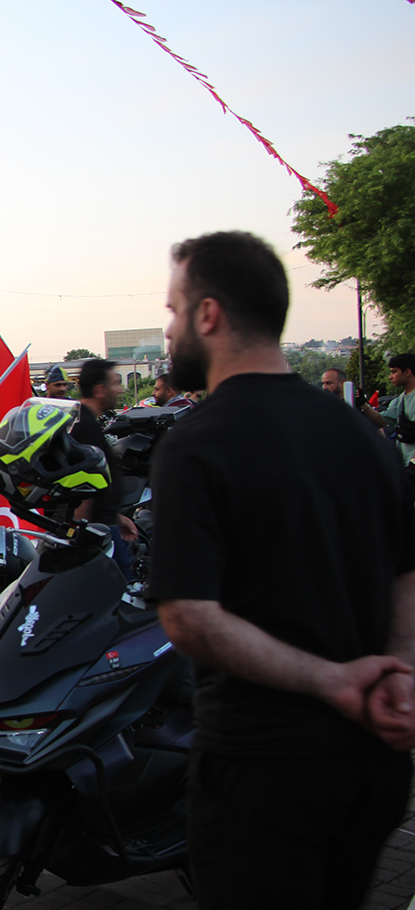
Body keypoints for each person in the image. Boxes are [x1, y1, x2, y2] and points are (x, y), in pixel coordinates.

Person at [146, 231, 415, 910]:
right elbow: (407, 578)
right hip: (374, 768)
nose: (170, 328)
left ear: (209, 315)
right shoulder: (364, 435)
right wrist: (400, 677)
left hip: (263, 768)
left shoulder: (196, 444)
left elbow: (189, 616)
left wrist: (338, 682)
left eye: (175, 309)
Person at [69, 359, 137, 579]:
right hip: (99, 534)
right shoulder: (85, 427)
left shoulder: (83, 421)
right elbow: (84, 488)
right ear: (99, 390)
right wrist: (83, 540)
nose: (120, 389)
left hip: (104, 525)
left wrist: (116, 516)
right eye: (115, 383)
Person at [367, 354, 415, 462]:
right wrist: (363, 405)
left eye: (394, 372)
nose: (390, 377)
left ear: (407, 372)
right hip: (406, 465)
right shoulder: (400, 399)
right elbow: (382, 420)